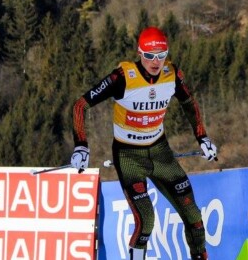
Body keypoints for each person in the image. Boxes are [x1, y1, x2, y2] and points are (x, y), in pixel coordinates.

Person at [71, 26, 217, 260]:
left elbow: (189, 103)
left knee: (194, 216)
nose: (155, 62)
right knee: (146, 219)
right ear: (140, 53)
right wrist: (81, 145)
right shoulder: (122, 77)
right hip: (129, 156)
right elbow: (80, 105)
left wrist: (202, 137)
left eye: (161, 55)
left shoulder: (172, 74)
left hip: (160, 152)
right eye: (149, 55)